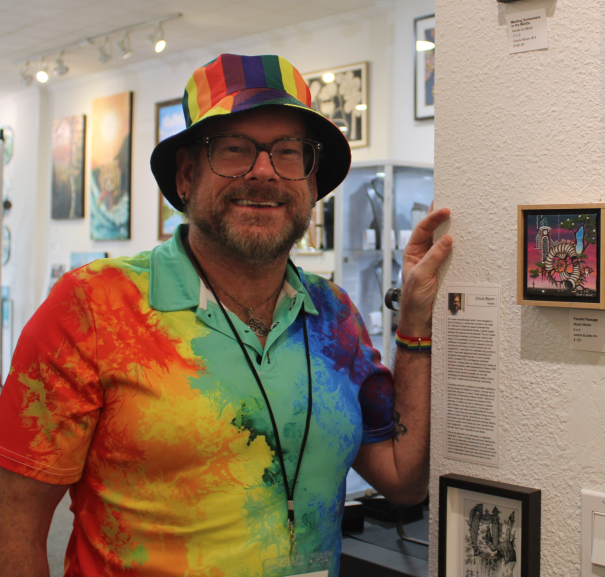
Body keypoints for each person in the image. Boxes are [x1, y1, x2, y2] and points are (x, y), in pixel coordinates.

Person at [0, 54, 451, 577]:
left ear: (310, 184)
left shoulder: (333, 317)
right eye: (234, 149)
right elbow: (16, 525)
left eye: (288, 153)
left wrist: (416, 322)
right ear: (187, 176)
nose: (264, 171)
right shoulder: (94, 307)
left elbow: (403, 477)